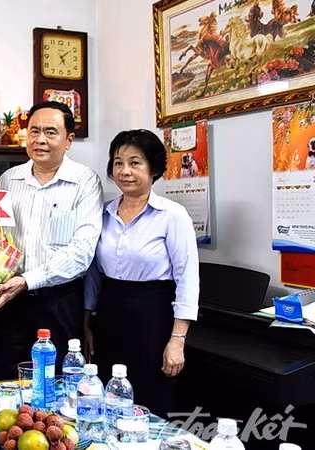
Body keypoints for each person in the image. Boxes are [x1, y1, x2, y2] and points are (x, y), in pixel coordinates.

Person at [84, 129, 199, 417]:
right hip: (109, 313)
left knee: (148, 399)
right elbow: (94, 275)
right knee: (109, 396)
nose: (125, 171)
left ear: (154, 168)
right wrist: (86, 323)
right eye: (118, 162)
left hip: (153, 317)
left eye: (135, 163)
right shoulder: (103, 214)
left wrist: (177, 340)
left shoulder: (172, 215)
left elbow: (188, 279)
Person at [0, 101, 103, 379]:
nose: (40, 139)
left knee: (58, 380)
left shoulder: (85, 182)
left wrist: (29, 279)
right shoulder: (8, 180)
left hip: (60, 301)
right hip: (11, 301)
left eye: (51, 132)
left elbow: (82, 252)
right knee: (7, 376)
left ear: (68, 140)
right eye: (34, 131)